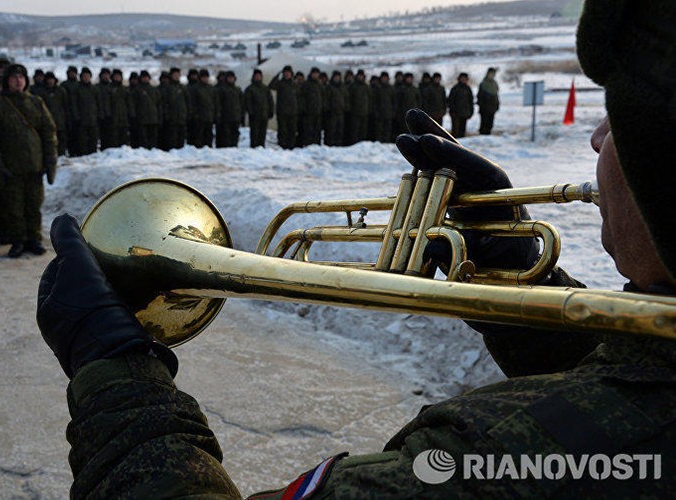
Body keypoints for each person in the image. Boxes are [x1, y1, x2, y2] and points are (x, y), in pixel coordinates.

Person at [38, 1, 676, 497]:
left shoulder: (511, 452)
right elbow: (619, 385)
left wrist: (115, 375)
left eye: (617, 120)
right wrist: (517, 283)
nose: (596, 139)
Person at [0, 64, 57, 258]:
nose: (18, 81)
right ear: (7, 81)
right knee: (14, 208)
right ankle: (18, 240)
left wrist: (50, 163)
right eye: (14, 77)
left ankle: (34, 238)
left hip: (34, 165)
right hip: (11, 167)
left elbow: (49, 134)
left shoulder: (36, 102)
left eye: (21, 77)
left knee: (33, 206)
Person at [159, 67, 189, 151]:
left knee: (181, 140)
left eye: (178, 75)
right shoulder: (167, 88)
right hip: (172, 118)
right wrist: (166, 115)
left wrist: (186, 113)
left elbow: (187, 102)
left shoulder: (182, 88)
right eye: (175, 75)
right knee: (172, 141)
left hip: (181, 118)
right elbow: (164, 103)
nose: (176, 76)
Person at [268, 65, 298, 149]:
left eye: (288, 73)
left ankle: (291, 146)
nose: (287, 74)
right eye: (285, 73)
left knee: (292, 130)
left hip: (293, 111)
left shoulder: (294, 84)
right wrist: (277, 75)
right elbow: (271, 86)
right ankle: (282, 145)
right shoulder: (280, 83)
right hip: (282, 111)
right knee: (282, 130)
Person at [244, 68, 273, 148]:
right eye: (256, 76)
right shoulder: (250, 89)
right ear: (253, 77)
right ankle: (254, 148)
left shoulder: (265, 89)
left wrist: (270, 111)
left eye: (259, 76)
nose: (257, 77)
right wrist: (250, 112)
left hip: (264, 114)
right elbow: (247, 102)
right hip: (254, 115)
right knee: (254, 133)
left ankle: (262, 147)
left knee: (262, 133)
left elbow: (270, 100)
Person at [41, 72, 68, 157]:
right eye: (48, 80)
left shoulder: (61, 90)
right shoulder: (42, 92)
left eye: (52, 79)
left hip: (60, 120)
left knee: (61, 140)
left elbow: (66, 105)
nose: (50, 81)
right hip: (48, 121)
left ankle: (62, 156)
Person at [189, 69, 216, 148]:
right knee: (199, 136)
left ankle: (209, 149)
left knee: (209, 135)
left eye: (207, 77)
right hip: (199, 117)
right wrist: (195, 114)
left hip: (209, 116)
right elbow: (192, 103)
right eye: (204, 77)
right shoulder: (195, 88)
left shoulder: (211, 88)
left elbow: (214, 102)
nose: (205, 79)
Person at [216, 71, 243, 148]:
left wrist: (241, 114)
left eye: (232, 78)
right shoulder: (221, 90)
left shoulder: (237, 90)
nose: (231, 79)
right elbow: (218, 103)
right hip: (225, 117)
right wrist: (219, 114)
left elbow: (241, 103)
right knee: (225, 135)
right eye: (229, 78)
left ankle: (234, 148)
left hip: (235, 116)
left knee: (235, 135)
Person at [448, 72, 474, 138]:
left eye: (465, 79)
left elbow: (471, 101)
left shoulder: (468, 89)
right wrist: (452, 111)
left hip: (465, 113)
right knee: (455, 131)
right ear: (459, 79)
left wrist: (471, 111)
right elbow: (450, 101)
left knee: (462, 131)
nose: (464, 80)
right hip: (456, 114)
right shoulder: (455, 88)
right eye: (462, 78)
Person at [477, 67, 500, 135]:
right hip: (485, 108)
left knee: (490, 123)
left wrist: (497, 104)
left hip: (492, 107)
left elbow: (496, 95)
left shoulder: (494, 83)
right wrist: (482, 105)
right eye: (491, 74)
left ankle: (488, 134)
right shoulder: (483, 83)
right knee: (484, 124)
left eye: (493, 74)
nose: (492, 75)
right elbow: (480, 96)